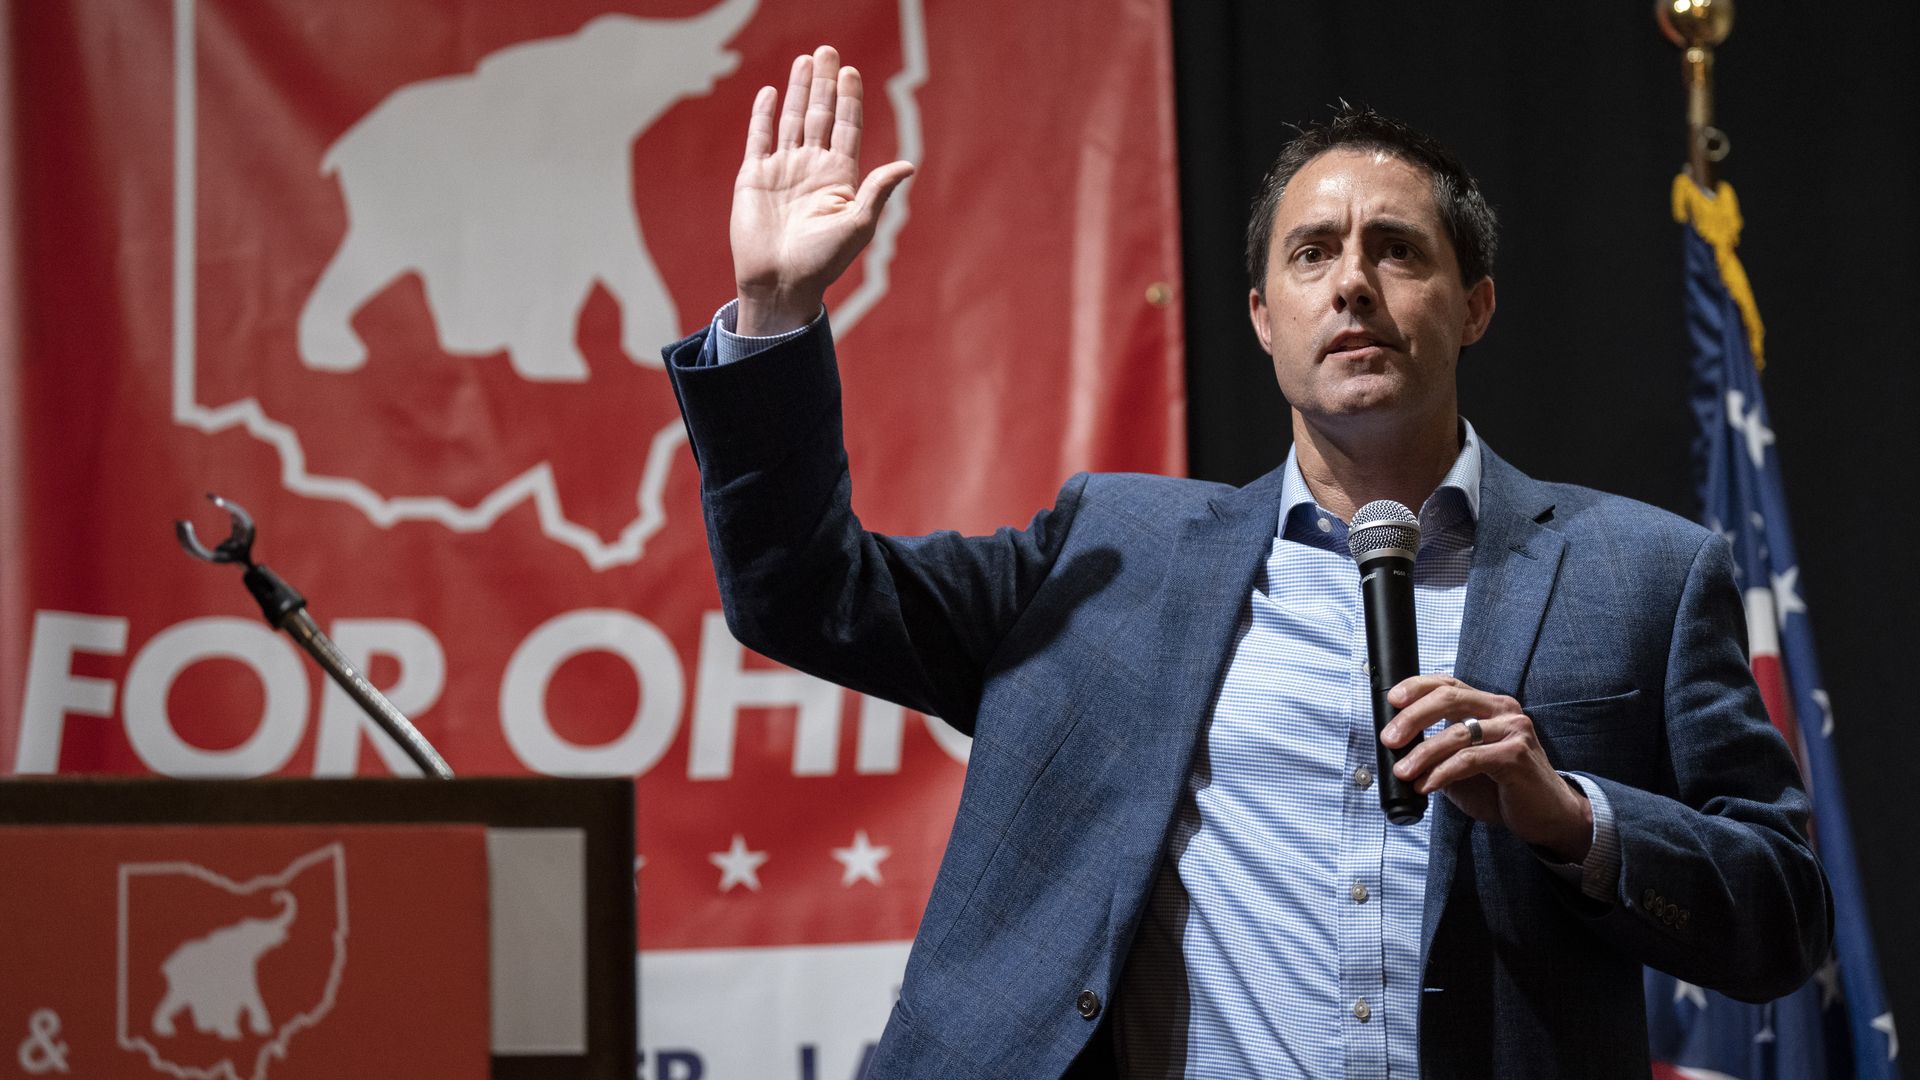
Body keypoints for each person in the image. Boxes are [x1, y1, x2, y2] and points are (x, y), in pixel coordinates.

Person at [664, 45, 1830, 1079]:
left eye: (1397, 251)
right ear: (1266, 316)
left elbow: (1784, 915)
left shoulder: (1644, 573)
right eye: (1313, 253)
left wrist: (1570, 817)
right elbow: (802, 594)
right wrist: (772, 310)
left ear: (1473, 306)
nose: (1353, 282)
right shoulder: (1112, 553)